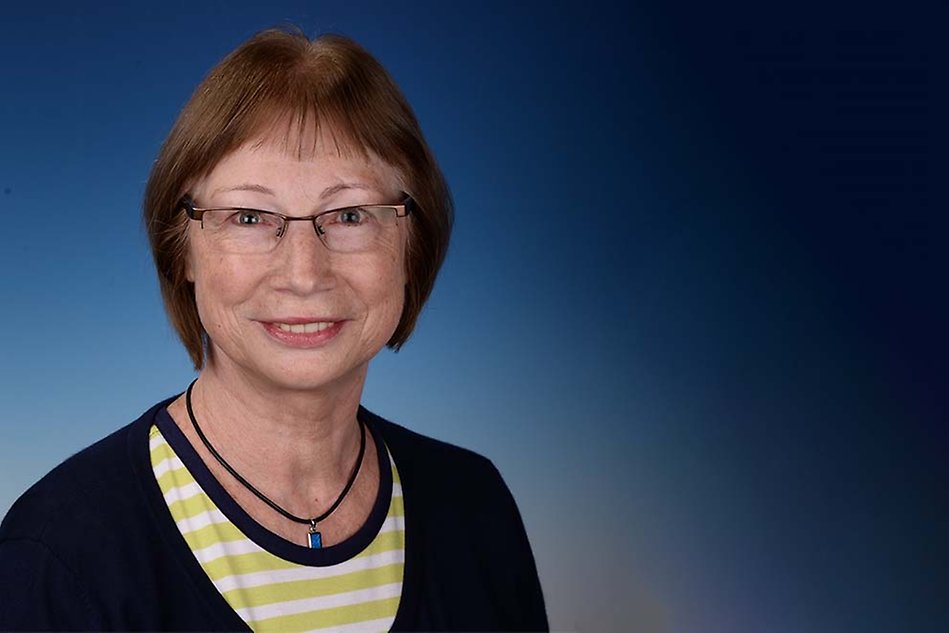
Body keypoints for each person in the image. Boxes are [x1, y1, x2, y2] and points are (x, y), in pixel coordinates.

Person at [0, 28, 547, 632]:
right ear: (181, 249)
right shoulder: (59, 556)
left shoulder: (474, 506)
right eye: (250, 217)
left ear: (412, 243)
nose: (305, 274)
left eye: (349, 215)